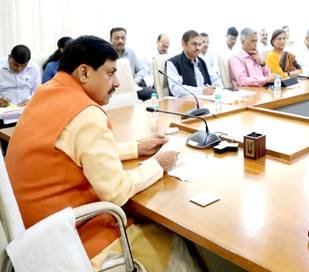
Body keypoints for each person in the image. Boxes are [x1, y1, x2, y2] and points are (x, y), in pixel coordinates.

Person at [5, 35, 200, 270]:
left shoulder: (46, 93)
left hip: (31, 239)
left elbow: (75, 149)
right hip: (72, 241)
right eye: (110, 73)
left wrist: (136, 148)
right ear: (84, 73)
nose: (117, 82)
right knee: (178, 243)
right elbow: (115, 192)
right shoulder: (85, 113)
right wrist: (158, 164)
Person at [166, 30, 218, 97]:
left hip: (206, 99)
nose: (198, 48)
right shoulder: (173, 63)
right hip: (186, 101)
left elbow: (215, 79)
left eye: (199, 44)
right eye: (194, 44)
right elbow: (176, 89)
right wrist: (202, 91)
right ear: (183, 44)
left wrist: (215, 86)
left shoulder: (201, 61)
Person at [109, 27, 152, 101]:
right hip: (114, 89)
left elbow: (141, 69)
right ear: (110, 40)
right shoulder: (106, 55)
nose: (120, 41)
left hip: (132, 88)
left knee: (152, 93)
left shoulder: (131, 53)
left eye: (123, 38)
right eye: (117, 38)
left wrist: (135, 81)